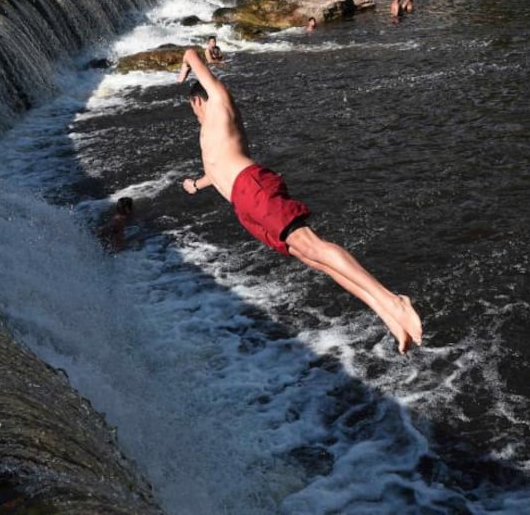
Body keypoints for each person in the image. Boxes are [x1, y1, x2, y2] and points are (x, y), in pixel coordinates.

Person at [176, 49, 423, 353]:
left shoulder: (218, 102)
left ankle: (394, 301)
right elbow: (216, 171)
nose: (196, 115)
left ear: (197, 101)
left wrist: (185, 66)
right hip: (243, 204)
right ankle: (388, 314)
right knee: (312, 258)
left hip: (252, 188)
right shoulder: (211, 132)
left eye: (193, 109)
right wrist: (196, 184)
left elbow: (191, 53)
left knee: (311, 244)